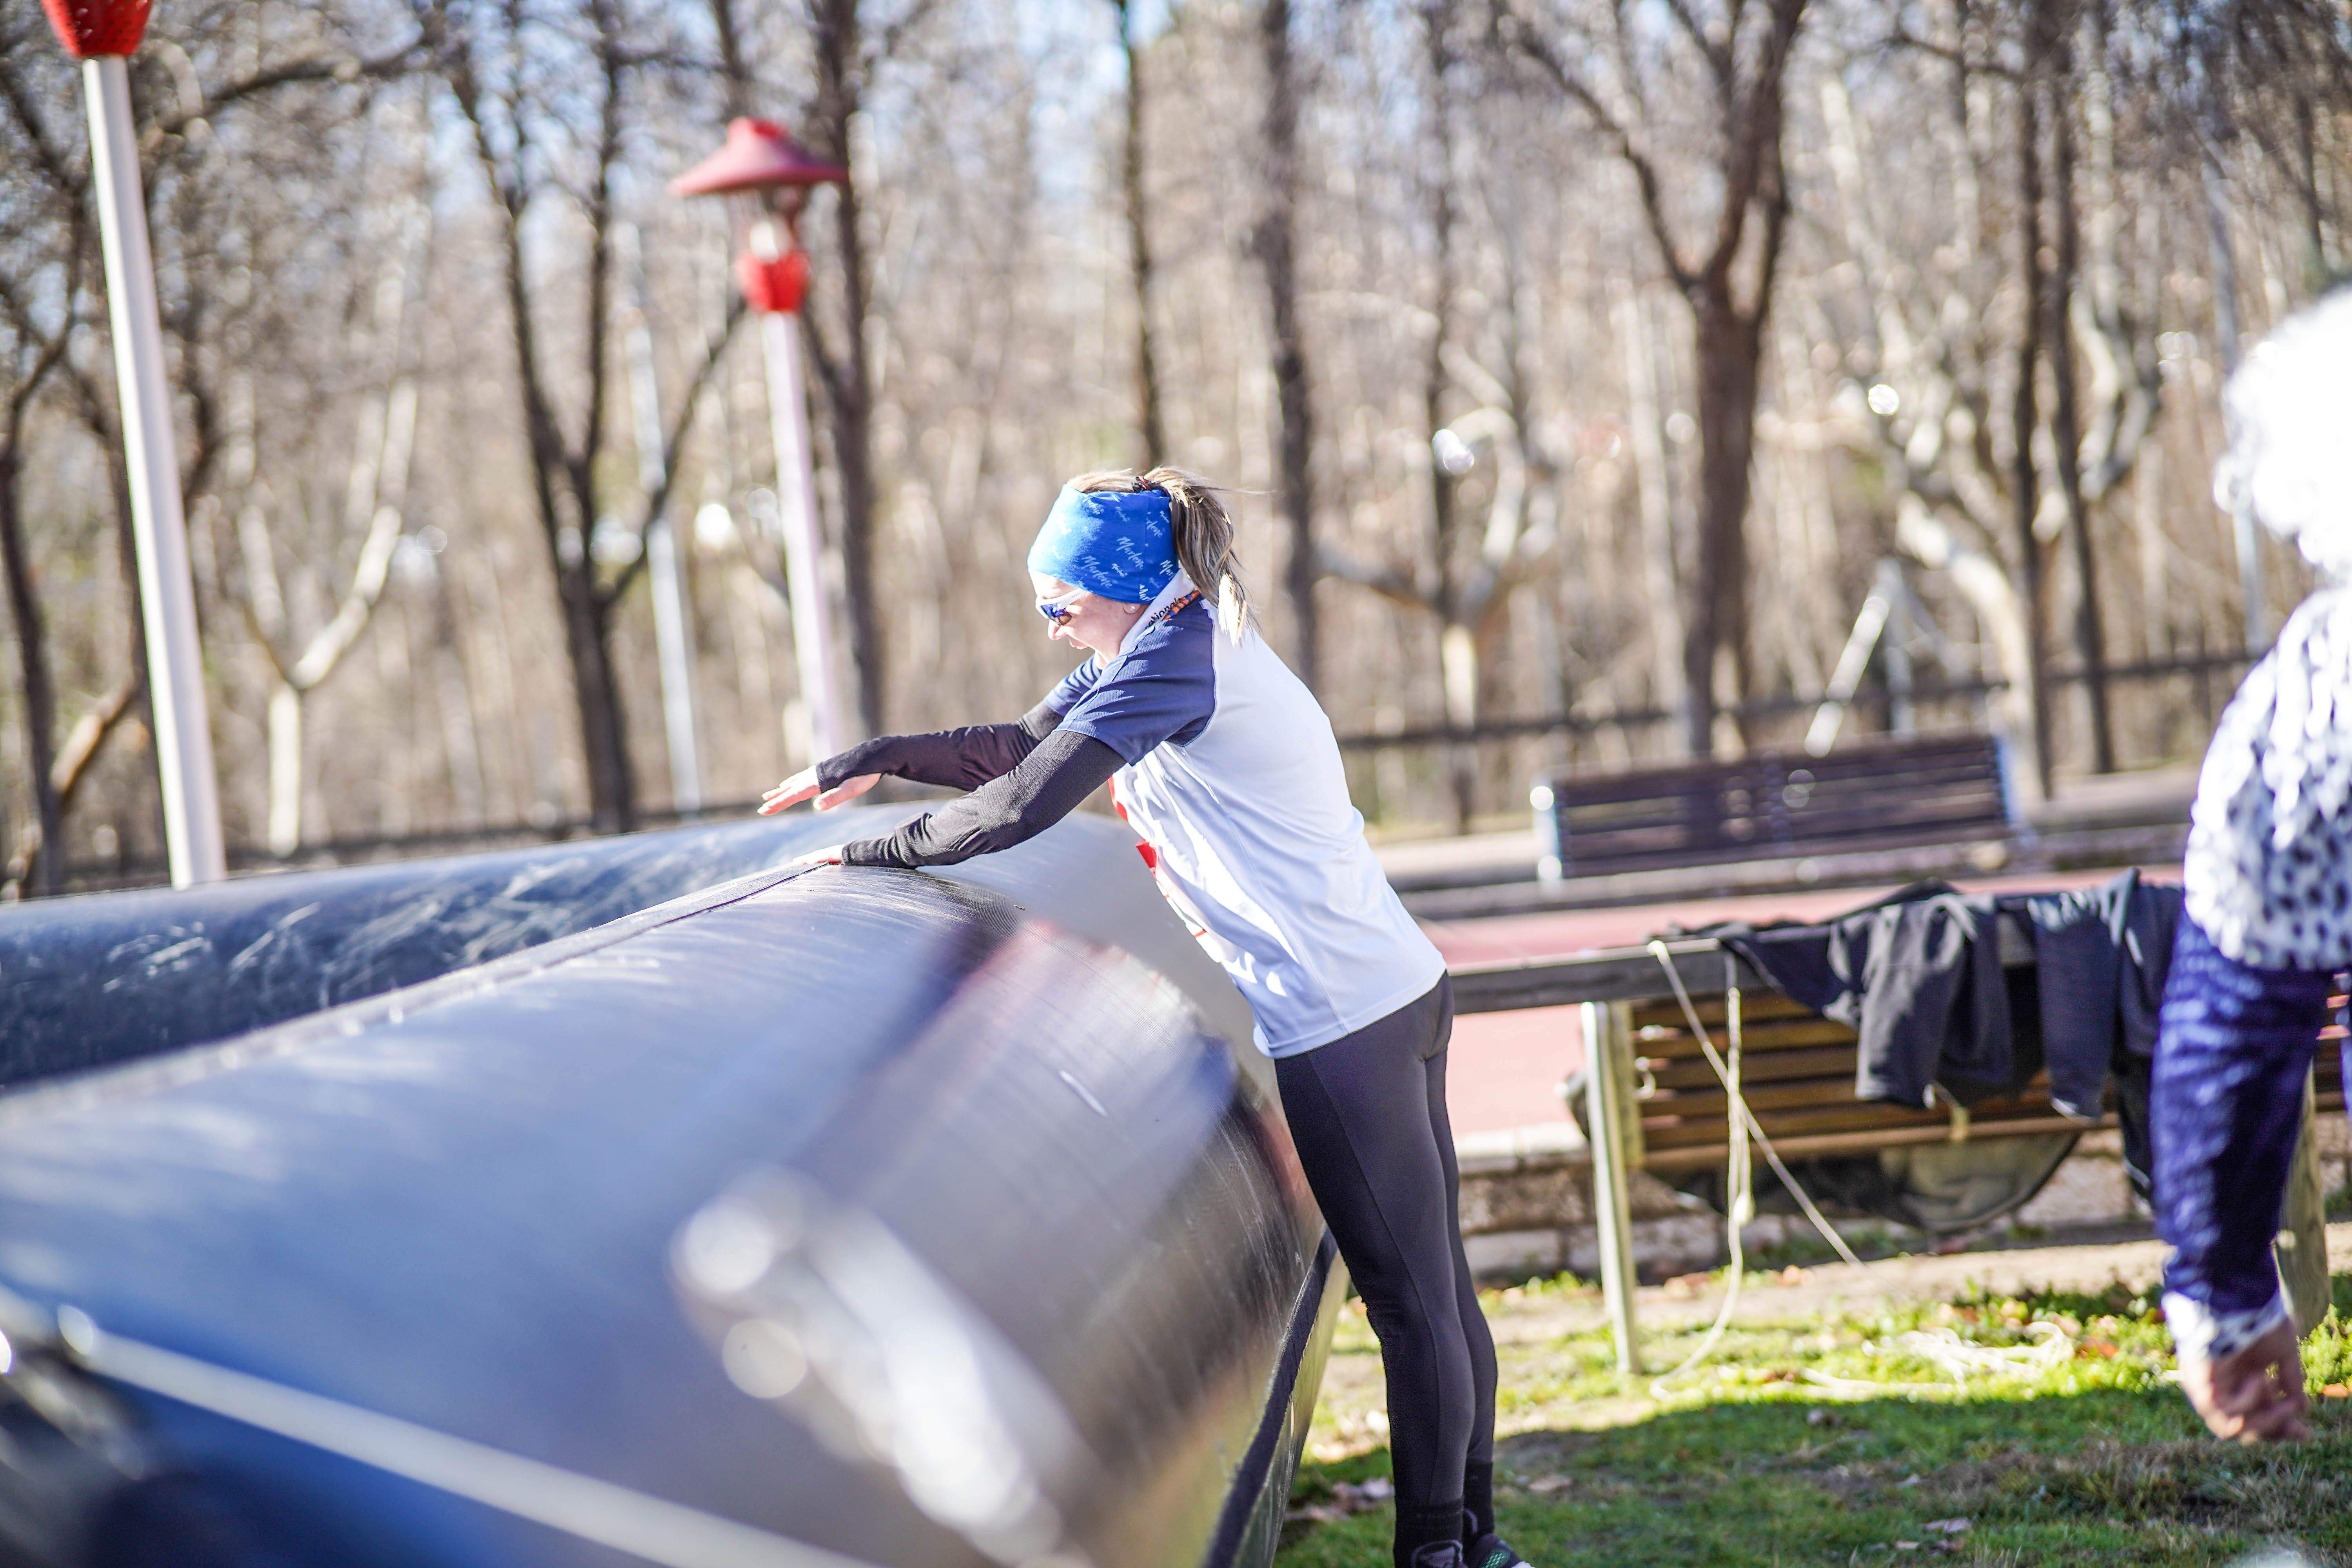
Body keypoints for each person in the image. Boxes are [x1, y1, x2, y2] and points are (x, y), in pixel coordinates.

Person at [759, 468, 1521, 1568]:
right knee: (1436, 1291)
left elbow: (1022, 807)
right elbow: (1014, 747)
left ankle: (1445, 1554)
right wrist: (872, 763)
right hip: (1395, 986)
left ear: (1118, 587)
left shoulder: (1173, 660)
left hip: (1344, 1019)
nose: (1051, 626)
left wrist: (872, 852)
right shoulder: (1162, 641)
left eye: (1058, 603)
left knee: (1411, 1305)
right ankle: (1477, 1545)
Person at [2155, 286, 2352, 1445]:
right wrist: (2223, 1290)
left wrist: (2224, 1293)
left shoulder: (2319, 701)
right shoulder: (2320, 707)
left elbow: (2239, 1014)